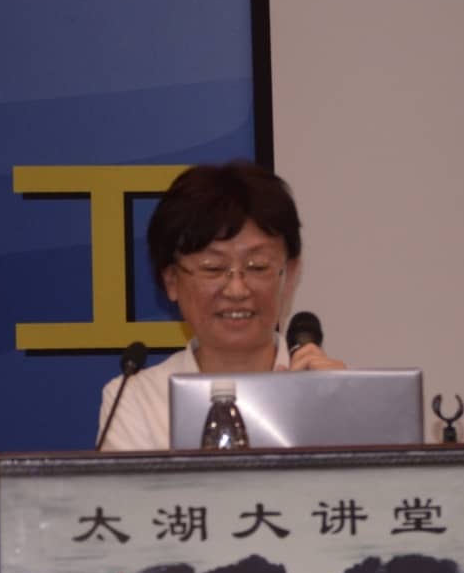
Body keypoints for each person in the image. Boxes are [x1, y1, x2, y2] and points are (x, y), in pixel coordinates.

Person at [98, 160, 346, 450]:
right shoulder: (138, 400)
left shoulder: (334, 393)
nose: (237, 290)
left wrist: (336, 411)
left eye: (257, 266)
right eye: (213, 268)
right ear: (172, 280)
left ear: (289, 275)